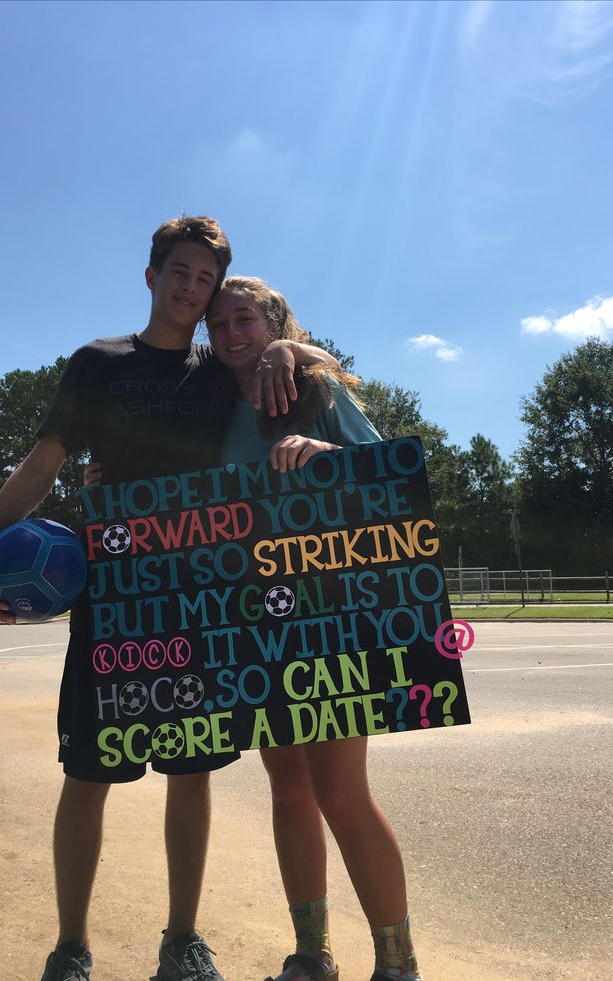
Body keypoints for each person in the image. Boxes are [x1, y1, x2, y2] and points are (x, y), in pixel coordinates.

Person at [0, 217, 340, 981]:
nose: (193, 289)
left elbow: (313, 362)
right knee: (89, 772)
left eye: (205, 278)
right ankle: (70, 946)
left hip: (199, 598)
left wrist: (287, 346)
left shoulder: (218, 369)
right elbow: (42, 463)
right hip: (117, 592)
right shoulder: (97, 364)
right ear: (152, 274)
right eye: (181, 273)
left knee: (190, 772)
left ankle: (183, 941)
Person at [205, 277, 423, 981]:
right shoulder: (210, 404)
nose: (231, 331)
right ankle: (311, 954)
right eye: (220, 321)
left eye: (245, 318)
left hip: (330, 615)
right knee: (289, 786)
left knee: (340, 790)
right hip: (252, 618)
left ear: (273, 324)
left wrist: (325, 455)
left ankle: (399, 964)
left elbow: (392, 480)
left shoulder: (316, 393)